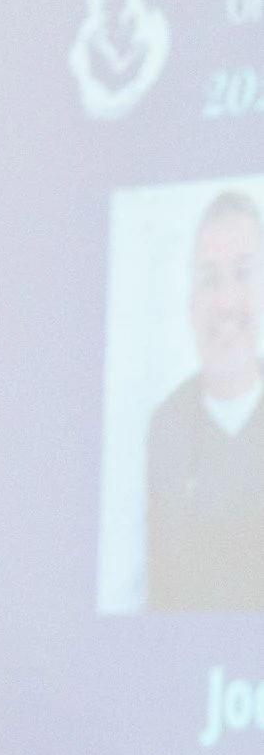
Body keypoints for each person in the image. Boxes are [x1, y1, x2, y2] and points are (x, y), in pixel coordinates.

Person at [147, 188, 264, 613]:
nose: (227, 302)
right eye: (210, 279)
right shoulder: (165, 431)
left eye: (244, 273)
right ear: (191, 305)